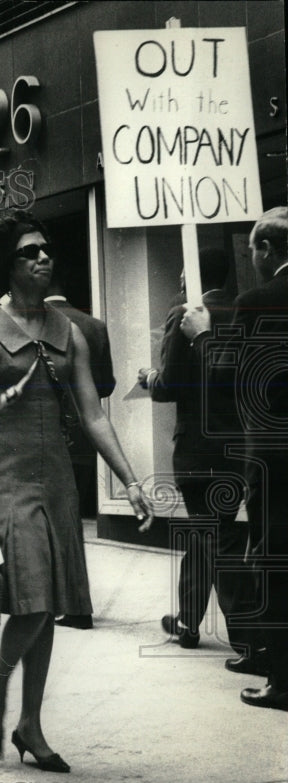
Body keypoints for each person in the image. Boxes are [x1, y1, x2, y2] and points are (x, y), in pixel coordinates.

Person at [0, 210, 152, 770]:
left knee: (46, 608)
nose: (44, 257)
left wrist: (131, 480)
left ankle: (30, 724)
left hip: (58, 485)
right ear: (5, 265)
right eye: (30, 252)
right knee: (36, 600)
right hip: (6, 482)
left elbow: (94, 415)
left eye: (46, 249)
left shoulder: (69, 332)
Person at [181, 206, 288, 712]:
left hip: (273, 456)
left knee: (272, 558)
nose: (252, 258)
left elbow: (227, 380)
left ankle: (282, 678)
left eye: (254, 249)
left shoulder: (258, 301)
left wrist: (202, 334)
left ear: (267, 250)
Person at [138, 248, 247, 651]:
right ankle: (187, 621)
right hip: (237, 448)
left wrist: (150, 378)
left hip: (197, 449)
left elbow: (169, 386)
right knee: (211, 532)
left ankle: (247, 636)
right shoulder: (242, 311)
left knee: (216, 539)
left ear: (191, 277)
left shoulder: (184, 314)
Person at [44, 270, 117, 630]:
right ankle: (72, 599)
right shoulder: (95, 326)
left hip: (49, 435)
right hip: (85, 438)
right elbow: (105, 386)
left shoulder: (36, 324)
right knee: (70, 520)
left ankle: (73, 603)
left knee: (57, 523)